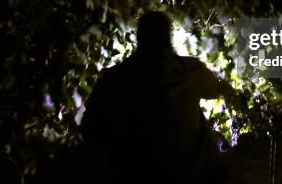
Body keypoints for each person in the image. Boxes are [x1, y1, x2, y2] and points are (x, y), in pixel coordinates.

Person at [80, 11, 231, 183]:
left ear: (140, 38)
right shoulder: (192, 72)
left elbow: (89, 129)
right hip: (192, 172)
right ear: (168, 37)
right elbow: (216, 90)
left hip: (132, 172)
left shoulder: (114, 78)